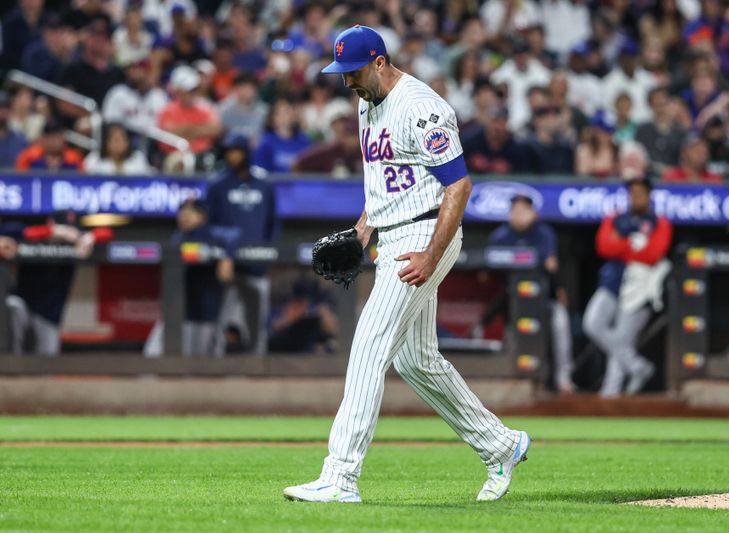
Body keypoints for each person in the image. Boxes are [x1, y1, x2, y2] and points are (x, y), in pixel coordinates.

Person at [283, 25, 530, 505]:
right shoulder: (364, 101)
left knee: (369, 344)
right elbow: (383, 180)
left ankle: (341, 477)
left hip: (424, 232)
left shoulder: (422, 108)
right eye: (340, 73)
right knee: (416, 360)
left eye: (352, 72)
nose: (346, 82)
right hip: (391, 231)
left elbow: (458, 186)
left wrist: (431, 253)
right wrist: (361, 229)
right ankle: (501, 444)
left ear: (379, 62)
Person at [582, 178, 672, 398]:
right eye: (633, 193)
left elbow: (653, 254)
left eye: (640, 193)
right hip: (612, 283)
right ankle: (638, 367)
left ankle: (610, 394)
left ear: (649, 196)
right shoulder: (615, 219)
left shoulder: (660, 223)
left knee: (622, 338)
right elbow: (603, 247)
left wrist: (621, 244)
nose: (636, 197)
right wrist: (632, 244)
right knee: (591, 324)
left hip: (639, 289)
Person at [484, 194, 575, 394]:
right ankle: (512, 379)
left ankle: (563, 378)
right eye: (515, 211)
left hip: (544, 297)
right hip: (511, 300)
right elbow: (490, 266)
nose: (520, 215)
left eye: (524, 210)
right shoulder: (501, 235)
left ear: (533, 213)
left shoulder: (543, 233)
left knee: (560, 324)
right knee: (509, 331)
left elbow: (551, 265)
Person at [205, 134, 278, 356]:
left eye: (236, 151)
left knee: (257, 322)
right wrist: (221, 254)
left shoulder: (264, 184)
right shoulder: (218, 184)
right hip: (228, 265)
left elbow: (273, 222)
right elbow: (210, 223)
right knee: (220, 321)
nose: (232, 156)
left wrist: (268, 253)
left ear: (246, 153)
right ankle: (214, 366)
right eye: (229, 151)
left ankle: (258, 366)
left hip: (257, 266)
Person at [7, 210, 112, 355]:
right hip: (24, 305)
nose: (67, 232)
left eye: (69, 228)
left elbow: (107, 232)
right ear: (50, 223)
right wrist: (52, 231)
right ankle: (10, 363)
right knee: (13, 304)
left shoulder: (77, 241)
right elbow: (9, 230)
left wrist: (91, 236)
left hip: (49, 315)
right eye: (62, 227)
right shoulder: (37, 235)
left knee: (48, 359)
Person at [143, 198, 233, 357]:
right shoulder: (178, 237)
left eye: (190, 212)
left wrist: (226, 255)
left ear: (202, 216)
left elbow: (227, 248)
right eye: (182, 211)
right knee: (155, 353)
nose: (184, 215)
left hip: (204, 313)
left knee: (205, 360)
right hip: (180, 311)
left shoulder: (214, 237)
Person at [83, 123, 152, 175]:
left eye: (122, 140)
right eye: (115, 140)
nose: (118, 144)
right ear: (106, 142)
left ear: (127, 142)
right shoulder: (94, 159)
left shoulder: (137, 158)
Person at [15, 119, 83, 172]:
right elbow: (19, 180)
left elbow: (83, 182)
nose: (52, 141)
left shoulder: (74, 158)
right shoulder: (29, 156)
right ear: (42, 138)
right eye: (49, 137)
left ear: (63, 138)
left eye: (56, 136)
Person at [0, 91, 29, 169]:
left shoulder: (20, 140)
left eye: (6, 107)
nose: (2, 111)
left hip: (13, 181)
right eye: (0, 107)